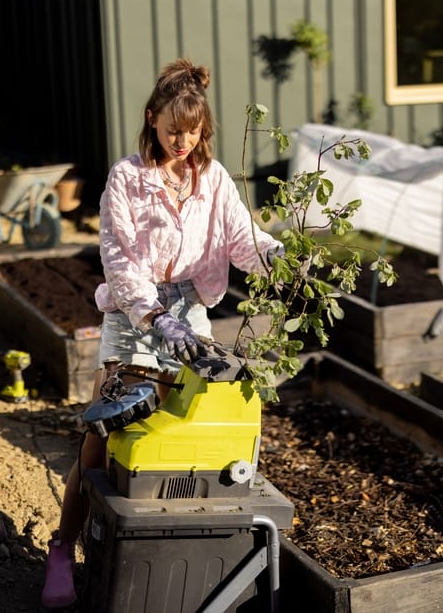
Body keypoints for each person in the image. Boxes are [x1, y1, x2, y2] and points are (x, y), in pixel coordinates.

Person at [41, 57, 283, 609]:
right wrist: (154, 317)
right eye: (173, 129)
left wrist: (275, 255)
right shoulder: (127, 178)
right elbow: (119, 259)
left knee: (178, 434)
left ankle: (141, 552)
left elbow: (240, 237)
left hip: (191, 313)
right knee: (105, 435)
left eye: (192, 132)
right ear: (152, 119)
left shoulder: (212, 178)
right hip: (135, 312)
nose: (182, 141)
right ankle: (62, 548)